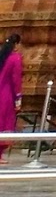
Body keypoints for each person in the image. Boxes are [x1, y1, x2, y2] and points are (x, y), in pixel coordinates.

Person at [0, 34, 20, 162]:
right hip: (6, 95)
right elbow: (16, 79)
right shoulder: (15, 58)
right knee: (4, 124)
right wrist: (18, 98)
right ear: (17, 44)